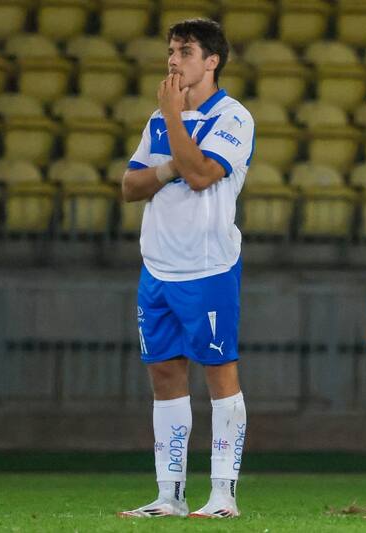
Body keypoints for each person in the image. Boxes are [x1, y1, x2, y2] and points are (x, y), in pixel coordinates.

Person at [118, 18, 254, 519]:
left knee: (221, 376)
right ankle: (169, 494)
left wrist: (175, 125)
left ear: (212, 61)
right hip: (158, 267)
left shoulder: (234, 118)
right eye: (171, 50)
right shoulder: (159, 117)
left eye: (185, 51)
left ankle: (223, 495)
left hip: (208, 268)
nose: (173, 60)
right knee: (166, 378)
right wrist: (171, 161)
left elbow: (200, 175)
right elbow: (130, 186)